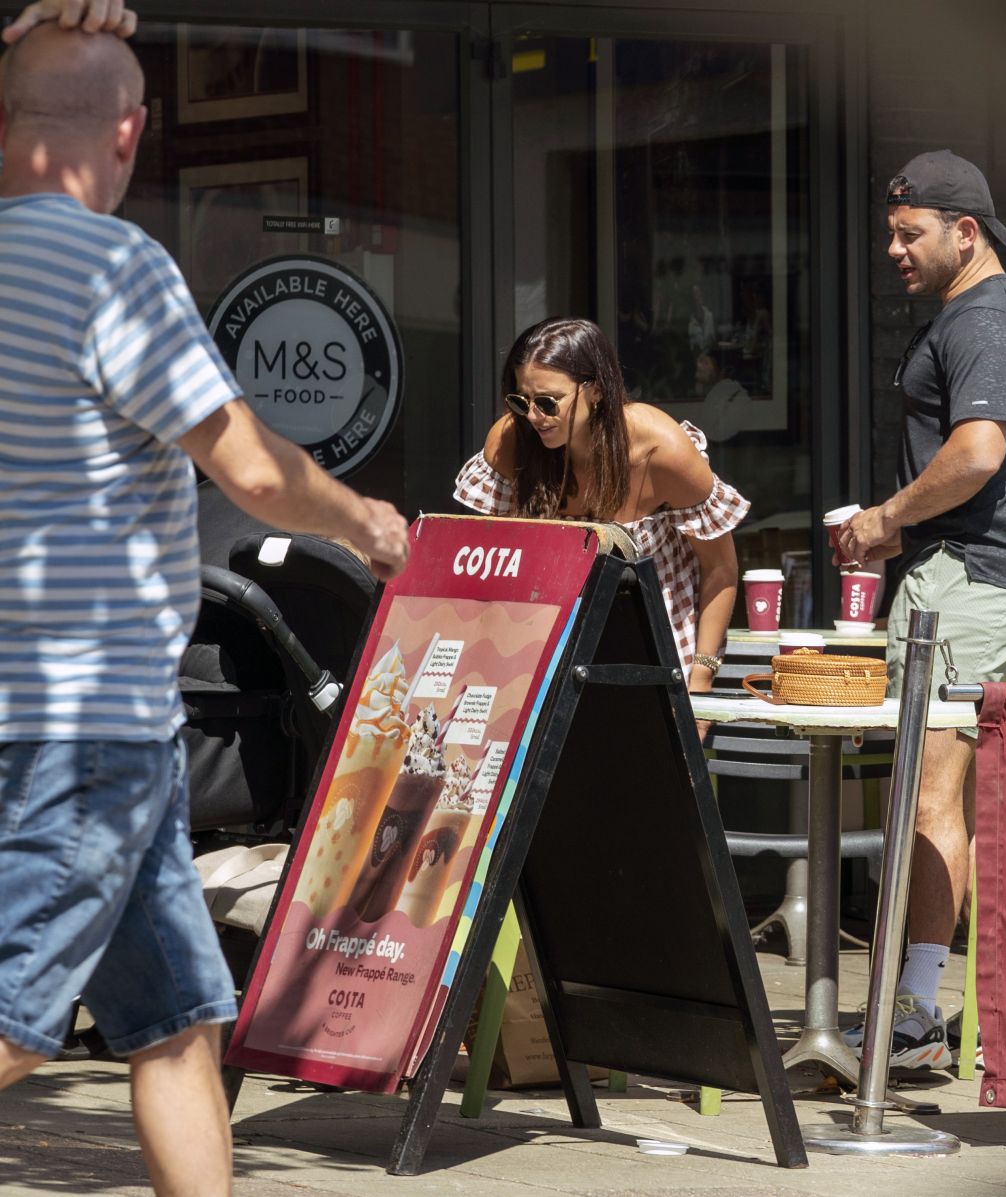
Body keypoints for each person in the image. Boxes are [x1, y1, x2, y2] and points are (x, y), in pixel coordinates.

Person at [0, 22, 410, 1197]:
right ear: (130, 135)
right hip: (88, 722)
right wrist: (365, 525)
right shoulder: (113, 268)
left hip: (54, 710)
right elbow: (256, 471)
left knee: (176, 1018)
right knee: (21, 1017)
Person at [838, 150, 1006, 1070]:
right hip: (952, 576)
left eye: (908, 232)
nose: (893, 248)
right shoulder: (969, 316)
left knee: (929, 796)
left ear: (965, 232)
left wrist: (886, 518)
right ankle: (913, 1004)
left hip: (978, 581)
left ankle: (920, 1016)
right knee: (916, 795)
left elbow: (975, 453)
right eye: (891, 232)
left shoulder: (991, 322)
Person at [454, 317, 748, 709]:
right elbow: (488, 567)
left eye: (547, 402)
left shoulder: (661, 451)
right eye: (521, 401)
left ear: (594, 390)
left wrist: (701, 679)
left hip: (652, 660)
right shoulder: (513, 443)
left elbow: (720, 570)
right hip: (545, 661)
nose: (533, 417)